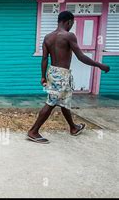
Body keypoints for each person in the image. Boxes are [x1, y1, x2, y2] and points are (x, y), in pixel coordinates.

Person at [27, 10, 110, 144]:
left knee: (64, 100)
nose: (72, 25)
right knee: (52, 102)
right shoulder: (69, 36)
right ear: (69, 22)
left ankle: (73, 127)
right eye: (72, 23)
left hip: (52, 72)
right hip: (62, 74)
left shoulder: (48, 37)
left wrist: (43, 76)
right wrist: (99, 65)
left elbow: (44, 59)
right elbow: (81, 56)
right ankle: (33, 131)